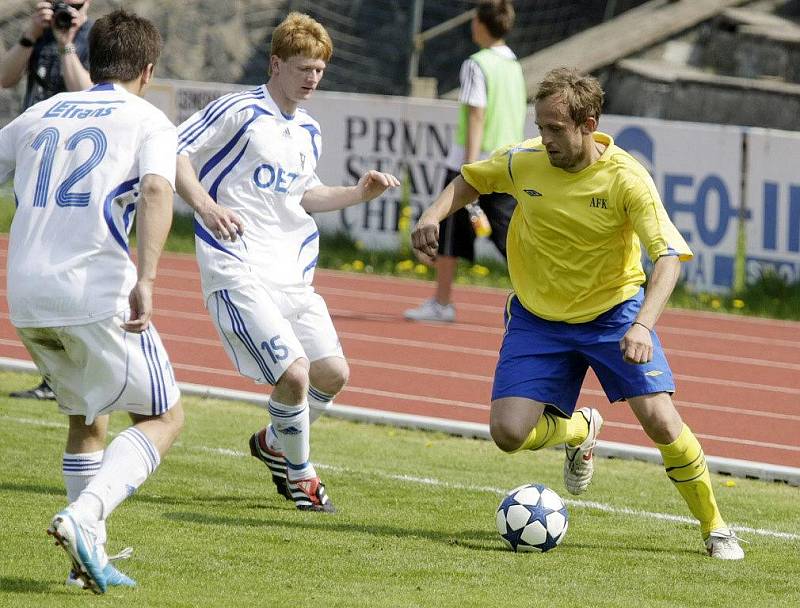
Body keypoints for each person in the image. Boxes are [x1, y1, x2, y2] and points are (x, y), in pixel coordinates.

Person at [411, 67, 745, 560]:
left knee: (660, 421)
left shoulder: (627, 179)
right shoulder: (525, 160)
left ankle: (715, 527)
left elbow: (669, 257)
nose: (543, 138)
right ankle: (579, 430)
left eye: (555, 129)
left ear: (588, 124)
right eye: (540, 126)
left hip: (613, 314)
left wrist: (642, 325)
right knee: (507, 433)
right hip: (538, 318)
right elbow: (469, 180)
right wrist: (431, 215)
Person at [175, 12, 399, 513]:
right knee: (294, 374)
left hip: (291, 274)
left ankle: (276, 442)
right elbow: (173, 151)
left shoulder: (309, 131)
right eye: (303, 67)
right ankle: (302, 477)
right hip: (237, 267)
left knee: (332, 373)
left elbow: (306, 196)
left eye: (319, 69)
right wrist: (206, 207)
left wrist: (358, 193)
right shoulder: (239, 109)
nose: (312, 78)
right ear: (275, 63)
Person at [0, 9, 184, 592]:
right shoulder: (148, 118)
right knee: (163, 416)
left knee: (87, 416)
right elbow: (158, 187)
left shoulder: (42, 111)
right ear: (148, 70)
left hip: (27, 291)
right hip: (92, 288)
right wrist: (148, 278)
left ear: (95, 57)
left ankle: (88, 560)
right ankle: (85, 516)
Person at [405, 0, 525, 323]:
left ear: (481, 24)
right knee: (509, 237)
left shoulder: (476, 64)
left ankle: (443, 303)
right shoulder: (514, 65)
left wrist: (468, 169)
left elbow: (476, 114)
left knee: (452, 235)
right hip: (508, 162)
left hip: (475, 163)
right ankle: (549, 298)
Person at [2, 0, 94, 401]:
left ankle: (74, 374)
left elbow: (87, 92)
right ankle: (53, 377)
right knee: (33, 266)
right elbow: (5, 79)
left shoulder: (94, 36)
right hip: (36, 160)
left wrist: (66, 41)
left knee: (69, 266)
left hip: (74, 163)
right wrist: (30, 35)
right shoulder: (37, 36)